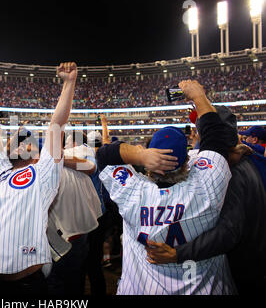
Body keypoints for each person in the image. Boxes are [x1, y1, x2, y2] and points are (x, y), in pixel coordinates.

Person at [97, 79, 236, 295]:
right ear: (187, 160)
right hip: (204, 288)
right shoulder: (206, 186)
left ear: (152, 163)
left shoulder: (132, 191)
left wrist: (140, 155)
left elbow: (105, 155)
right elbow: (216, 138)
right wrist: (198, 96)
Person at [0, 62, 77, 296]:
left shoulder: (43, 173)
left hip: (24, 286)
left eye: (28, 142)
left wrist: (69, 83)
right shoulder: (1, 172)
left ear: (38, 155)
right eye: (17, 140)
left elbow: (56, 125)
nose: (21, 143)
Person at [144, 108, 266, 295]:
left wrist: (178, 254)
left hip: (241, 269)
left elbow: (228, 232)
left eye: (200, 131)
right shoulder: (244, 160)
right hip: (252, 258)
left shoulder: (231, 172)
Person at [46, 131, 102, 295]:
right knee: (73, 276)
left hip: (77, 228)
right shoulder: (63, 161)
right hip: (71, 226)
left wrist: (57, 156)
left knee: (74, 275)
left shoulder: (83, 153)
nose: (65, 146)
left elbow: (90, 167)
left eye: (68, 143)